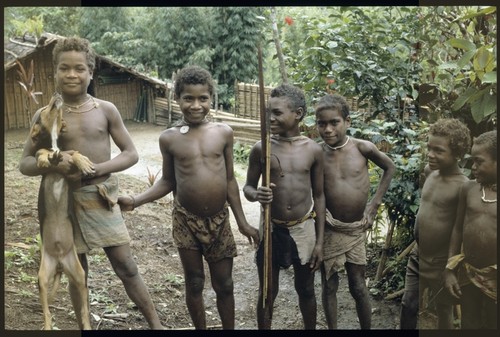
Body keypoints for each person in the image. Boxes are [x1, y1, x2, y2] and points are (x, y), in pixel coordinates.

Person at [19, 36, 164, 329]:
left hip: (100, 198)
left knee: (126, 265)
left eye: (79, 69)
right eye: (64, 68)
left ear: (91, 73)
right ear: (55, 72)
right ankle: (84, 326)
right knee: (77, 271)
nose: (72, 74)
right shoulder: (44, 115)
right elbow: (25, 163)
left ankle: (156, 325)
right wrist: (54, 163)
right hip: (61, 204)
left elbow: (131, 154)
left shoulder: (105, 109)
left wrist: (95, 169)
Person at [118, 65, 259, 330]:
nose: (196, 105)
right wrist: (136, 200)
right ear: (177, 99)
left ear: (211, 99)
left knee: (225, 284)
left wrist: (242, 222)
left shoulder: (223, 133)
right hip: (185, 220)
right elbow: (168, 181)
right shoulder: (169, 138)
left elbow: (230, 180)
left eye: (202, 98)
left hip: (218, 220)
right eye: (188, 98)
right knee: (194, 282)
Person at [243, 83, 325, 330]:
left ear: (298, 114)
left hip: (303, 230)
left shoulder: (313, 150)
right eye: (269, 111)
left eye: (277, 112)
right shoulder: (262, 149)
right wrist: (257, 194)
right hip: (271, 228)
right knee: (268, 291)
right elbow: (247, 188)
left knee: (306, 289)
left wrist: (320, 242)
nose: (271, 117)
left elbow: (319, 196)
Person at [315, 94, 396, 329]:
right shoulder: (317, 153)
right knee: (329, 285)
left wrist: (374, 204)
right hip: (329, 228)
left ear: (347, 121)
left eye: (334, 122)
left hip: (356, 229)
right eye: (322, 124)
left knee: (358, 285)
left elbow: (390, 167)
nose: (328, 129)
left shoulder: (363, 148)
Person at [399, 118, 471, 329]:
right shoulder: (430, 172)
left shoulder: (463, 187)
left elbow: (459, 230)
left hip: (441, 261)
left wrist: (450, 267)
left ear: (457, 154)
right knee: (408, 303)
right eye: (429, 147)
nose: (431, 154)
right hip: (417, 256)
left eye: (439, 151)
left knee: (444, 309)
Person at [443, 130, 497, 329]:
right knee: (469, 324)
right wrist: (450, 269)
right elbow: (457, 229)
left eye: (479, 162)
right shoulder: (470, 189)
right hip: (469, 274)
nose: (473, 167)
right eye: (472, 161)